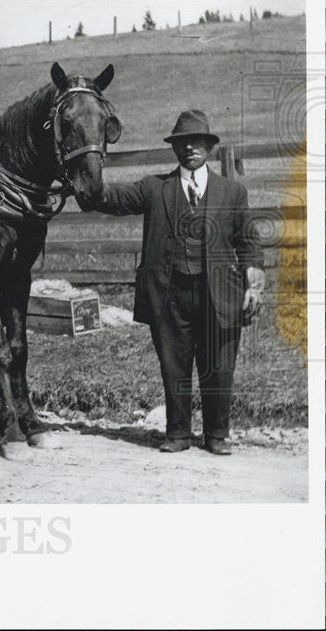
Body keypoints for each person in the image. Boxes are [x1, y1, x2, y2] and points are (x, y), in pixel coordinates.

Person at [93, 110, 265, 454]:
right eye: (183, 143)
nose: (190, 148)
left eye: (197, 142)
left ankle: (217, 435)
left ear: (209, 147)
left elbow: (248, 240)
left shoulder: (231, 192)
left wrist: (255, 279)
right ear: (175, 149)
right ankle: (178, 434)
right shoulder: (154, 188)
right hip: (169, 293)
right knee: (174, 363)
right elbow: (109, 199)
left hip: (220, 293)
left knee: (218, 365)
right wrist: (83, 178)